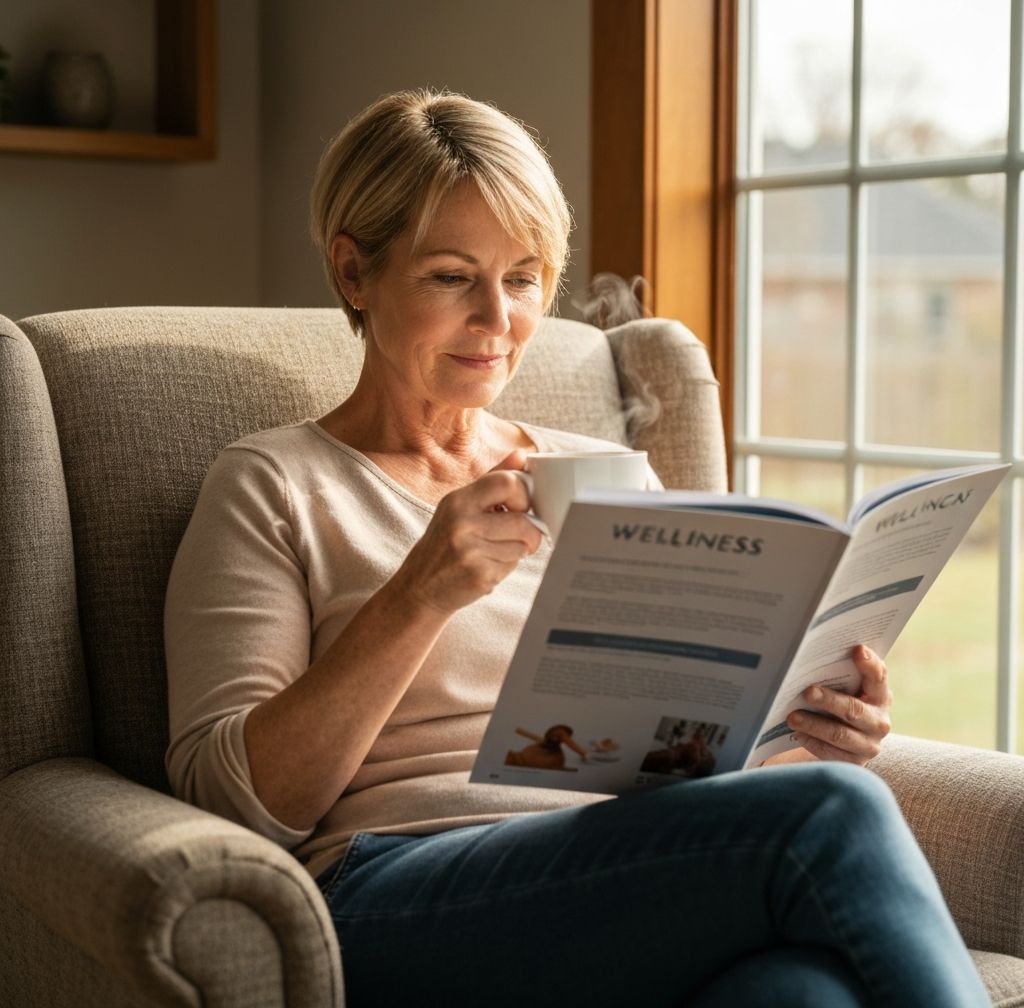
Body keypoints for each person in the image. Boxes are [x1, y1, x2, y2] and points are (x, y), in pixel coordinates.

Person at [164, 89, 990, 1007]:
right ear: (354, 273)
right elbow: (231, 803)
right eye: (450, 276)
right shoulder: (273, 484)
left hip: (616, 874)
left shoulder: (603, 476)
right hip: (391, 890)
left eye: (522, 278)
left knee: (801, 992)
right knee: (839, 818)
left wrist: (810, 733)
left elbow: (678, 753)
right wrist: (420, 595)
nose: (497, 318)